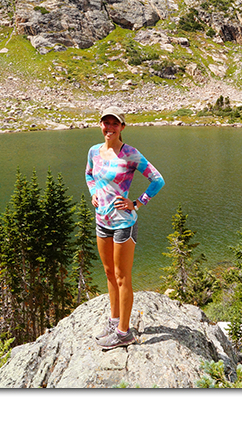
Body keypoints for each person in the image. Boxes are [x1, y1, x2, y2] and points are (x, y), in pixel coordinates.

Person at [85, 107, 164, 350]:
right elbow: (89, 175)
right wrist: (93, 194)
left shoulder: (130, 154)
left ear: (122, 127)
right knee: (109, 273)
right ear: (100, 125)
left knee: (122, 276)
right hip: (102, 221)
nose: (109, 128)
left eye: (114, 124)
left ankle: (124, 333)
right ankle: (114, 320)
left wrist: (137, 203)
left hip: (123, 224)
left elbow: (157, 180)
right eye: (105, 123)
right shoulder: (94, 152)